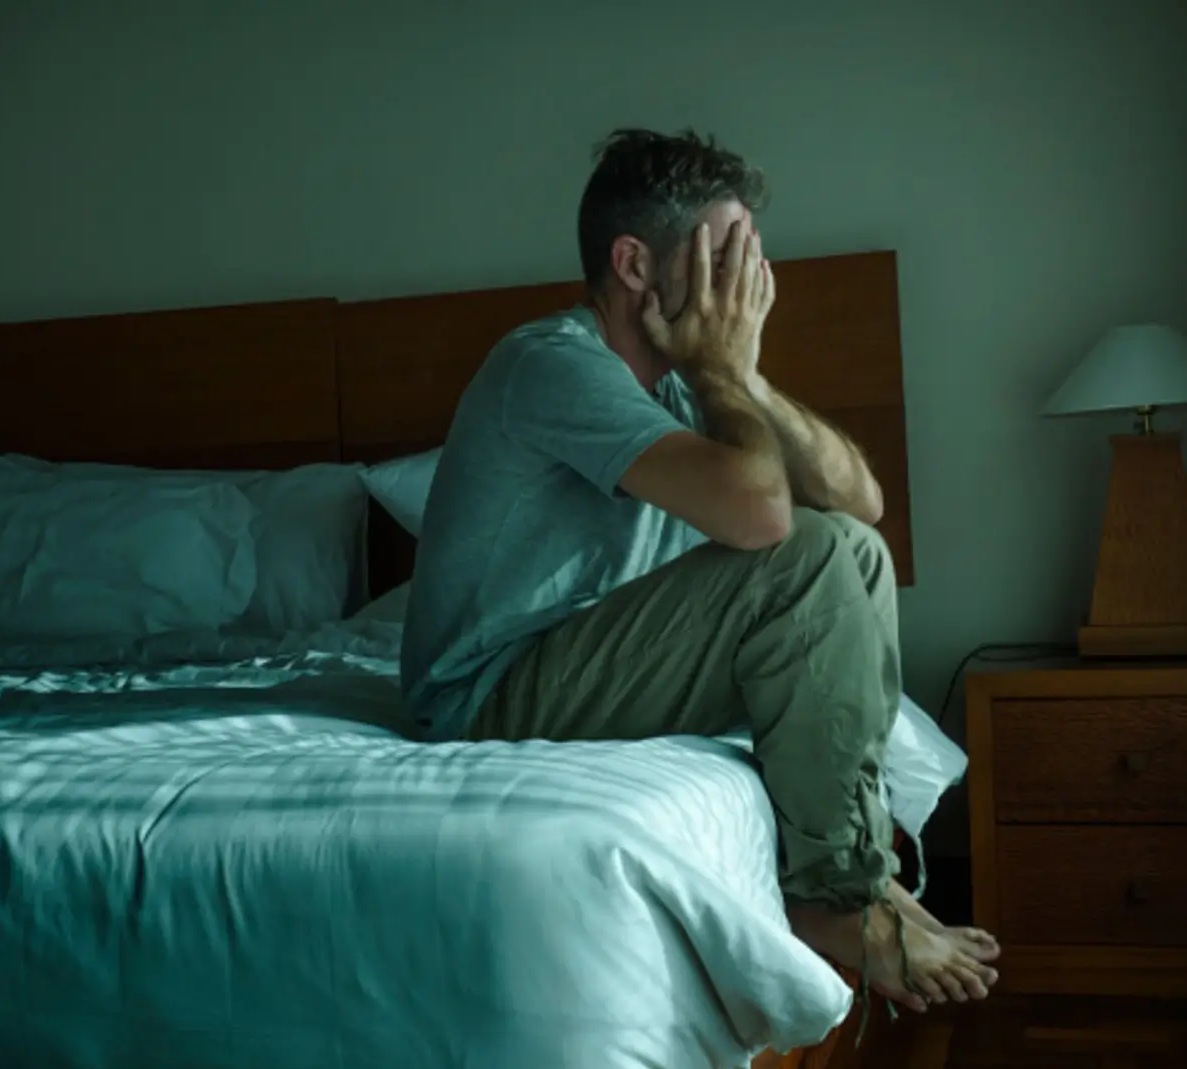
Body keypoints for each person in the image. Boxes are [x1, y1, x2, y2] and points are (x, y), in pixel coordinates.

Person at [402, 127, 1000, 1012]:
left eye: (750, 257)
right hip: (485, 697)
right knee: (809, 557)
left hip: (586, 667)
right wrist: (725, 370)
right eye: (724, 257)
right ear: (634, 263)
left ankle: (860, 875)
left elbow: (862, 502)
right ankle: (835, 896)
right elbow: (765, 519)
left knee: (851, 546)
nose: (749, 284)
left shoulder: (681, 384)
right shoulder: (550, 362)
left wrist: (741, 381)